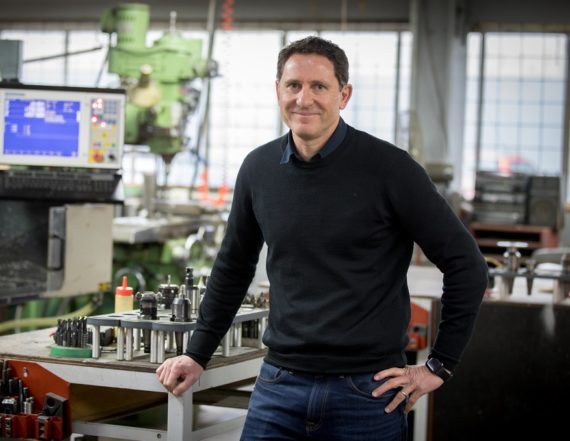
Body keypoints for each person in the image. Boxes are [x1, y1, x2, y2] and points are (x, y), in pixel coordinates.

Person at [157, 35, 488, 440]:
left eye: (319, 86)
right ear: (278, 91)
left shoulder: (390, 169)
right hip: (278, 384)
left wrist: (440, 364)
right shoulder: (259, 169)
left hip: (367, 393)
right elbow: (233, 266)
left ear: (343, 95)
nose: (304, 99)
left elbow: (467, 265)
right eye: (293, 85)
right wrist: (197, 352)